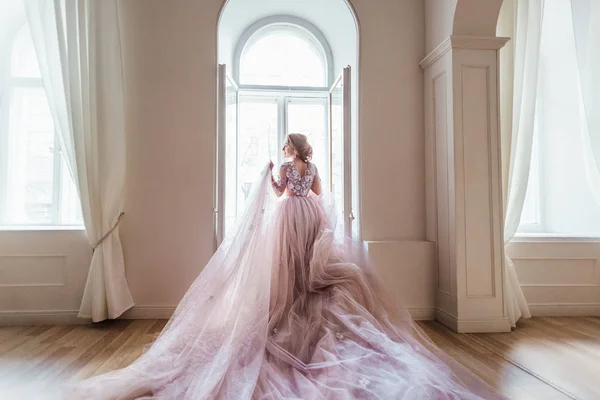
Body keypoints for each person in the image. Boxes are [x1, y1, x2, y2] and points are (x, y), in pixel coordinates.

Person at [64, 134, 502, 399]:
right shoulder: (310, 167)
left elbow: (278, 195)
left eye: (286, 145)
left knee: (288, 271)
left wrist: (269, 176)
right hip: (310, 217)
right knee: (309, 270)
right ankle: (301, 303)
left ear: (291, 146)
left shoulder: (288, 166)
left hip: (289, 217)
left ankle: (288, 307)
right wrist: (311, 204)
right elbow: (320, 193)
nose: (286, 150)